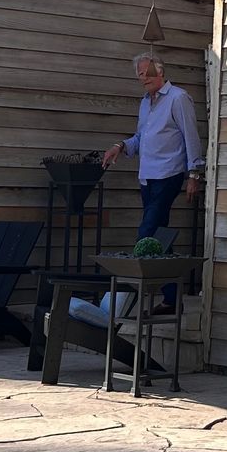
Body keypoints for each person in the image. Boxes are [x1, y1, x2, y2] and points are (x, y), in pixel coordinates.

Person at [70, 54, 203, 328]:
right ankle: (171, 298)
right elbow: (141, 137)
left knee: (146, 232)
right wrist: (120, 146)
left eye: (148, 72)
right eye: (140, 74)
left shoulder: (178, 98)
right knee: (158, 236)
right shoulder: (145, 103)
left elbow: (191, 135)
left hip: (169, 173)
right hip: (147, 176)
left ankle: (124, 299)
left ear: (160, 72)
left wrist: (194, 174)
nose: (144, 77)